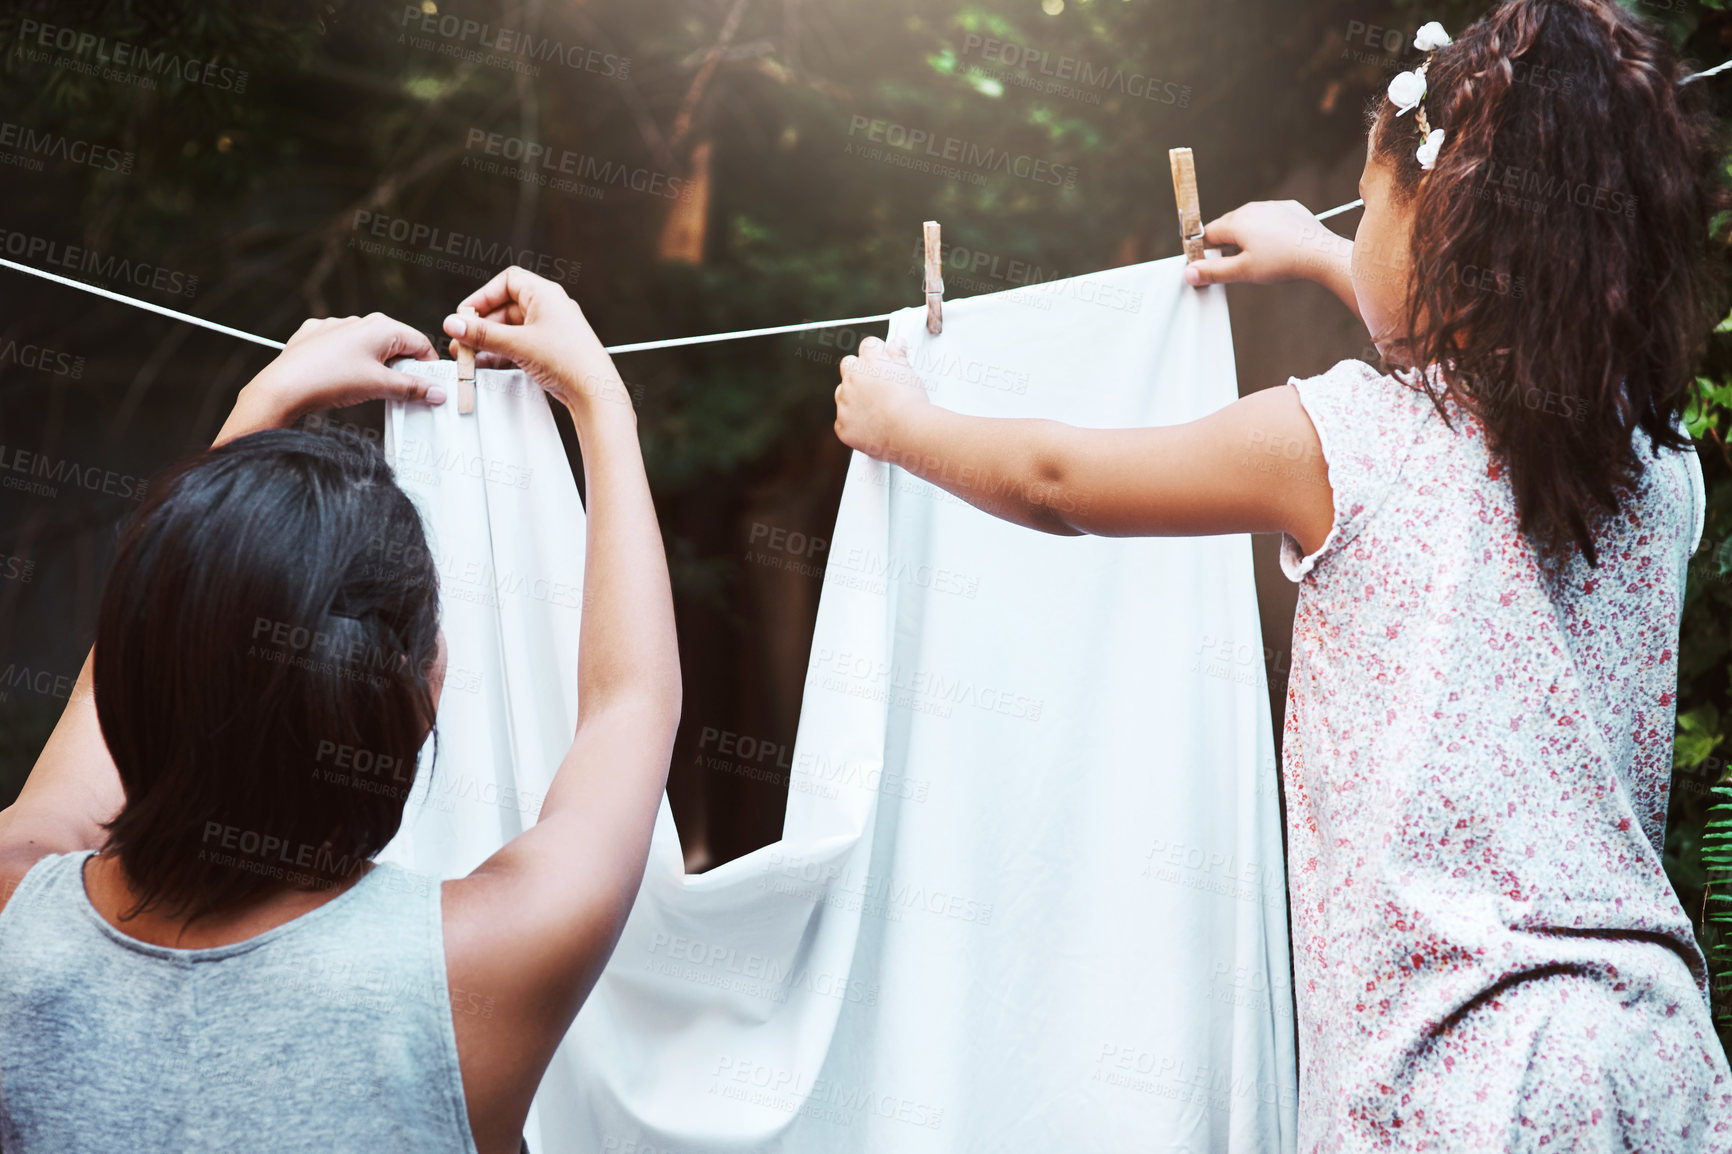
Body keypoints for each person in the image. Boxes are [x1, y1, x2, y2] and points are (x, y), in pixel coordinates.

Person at [833, 0, 1731, 1148]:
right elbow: (1487, 362)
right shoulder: (1659, 471)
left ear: (1441, 235)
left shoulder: (1340, 441)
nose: (1353, 239)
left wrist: (904, 421)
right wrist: (1319, 250)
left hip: (1457, 1073)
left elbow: (1058, 480)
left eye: (1369, 210)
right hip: (1655, 1055)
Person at [0, 267, 679, 1154]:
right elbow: (631, 705)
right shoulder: (475, 969)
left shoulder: (17, 900)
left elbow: (143, 649)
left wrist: (267, 396)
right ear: (423, 687)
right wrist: (600, 403)